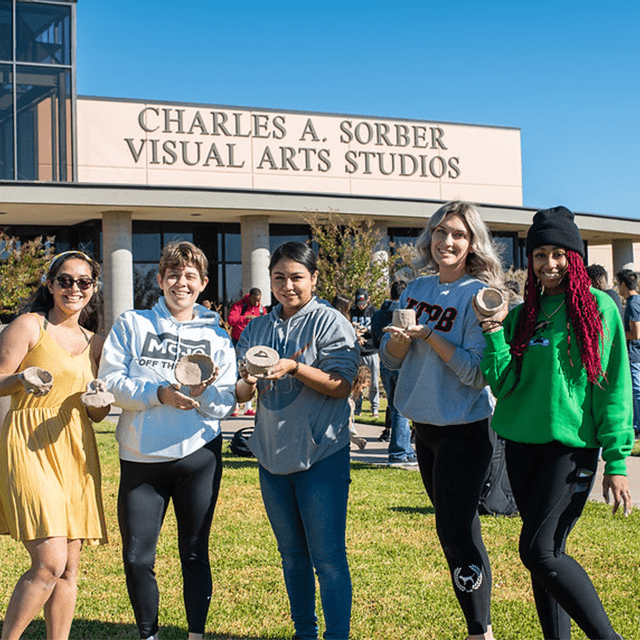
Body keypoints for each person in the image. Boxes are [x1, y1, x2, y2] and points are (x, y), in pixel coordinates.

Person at [478, 206, 633, 640]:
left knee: (539, 551)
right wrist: (494, 334)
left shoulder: (598, 308)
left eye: (559, 254)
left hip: (570, 449)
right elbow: (503, 384)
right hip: (520, 445)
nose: (549, 264)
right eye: (540, 254)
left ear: (576, 258)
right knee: (543, 556)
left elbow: (613, 388)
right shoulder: (522, 314)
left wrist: (617, 461)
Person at [380, 200, 506, 640]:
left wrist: (431, 336)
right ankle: (478, 626)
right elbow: (392, 364)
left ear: (472, 242)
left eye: (457, 234)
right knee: (451, 528)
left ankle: (480, 629)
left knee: (455, 528)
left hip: (467, 428)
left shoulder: (480, 295)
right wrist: (398, 343)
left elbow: (475, 373)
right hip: (425, 429)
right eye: (439, 232)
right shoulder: (415, 290)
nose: (446, 242)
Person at [99, 242, 237, 640]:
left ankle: (195, 634)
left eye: (190, 276)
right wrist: (159, 393)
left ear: (203, 283)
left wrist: (204, 394)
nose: (181, 282)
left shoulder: (216, 335)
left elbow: (225, 401)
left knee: (194, 553)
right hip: (141, 459)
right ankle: (149, 635)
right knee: (137, 558)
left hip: (198, 457)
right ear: (159, 280)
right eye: (173, 274)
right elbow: (110, 383)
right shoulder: (133, 324)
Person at [236, 241, 359, 640]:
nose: (288, 286)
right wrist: (245, 380)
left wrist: (294, 367)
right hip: (273, 459)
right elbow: (240, 393)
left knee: (328, 559)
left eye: (297, 277)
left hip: (321, 454)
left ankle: (336, 636)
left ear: (314, 279)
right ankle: (305, 633)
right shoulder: (258, 325)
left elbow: (342, 386)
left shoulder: (329, 322)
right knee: (291, 557)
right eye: (279, 278)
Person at [0, 250, 108, 640]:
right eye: (65, 280)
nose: (73, 288)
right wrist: (19, 380)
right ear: (50, 284)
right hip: (28, 446)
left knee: (69, 569)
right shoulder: (29, 325)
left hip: (76, 450)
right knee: (49, 562)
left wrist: (101, 403)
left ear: (93, 289)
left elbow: (95, 414)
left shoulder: (95, 343)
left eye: (83, 282)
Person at [371, 280, 417, 466]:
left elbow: (375, 338)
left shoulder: (378, 314)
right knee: (402, 409)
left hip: (384, 362)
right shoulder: (408, 312)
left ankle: (404, 449)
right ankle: (399, 452)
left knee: (394, 406)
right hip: (402, 362)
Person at [616, 268, 640, 439]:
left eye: (618, 285)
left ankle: (637, 427)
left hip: (633, 354)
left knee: (636, 391)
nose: (618, 289)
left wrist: (616, 334)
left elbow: (636, 333)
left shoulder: (632, 304)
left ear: (623, 284)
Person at [349, 288, 380, 418]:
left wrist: (366, 329)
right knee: (357, 382)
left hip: (371, 351)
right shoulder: (352, 311)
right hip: (357, 351)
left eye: (363, 303)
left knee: (373, 383)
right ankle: (357, 408)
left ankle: (374, 409)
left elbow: (378, 330)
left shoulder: (374, 312)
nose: (361, 306)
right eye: (358, 303)